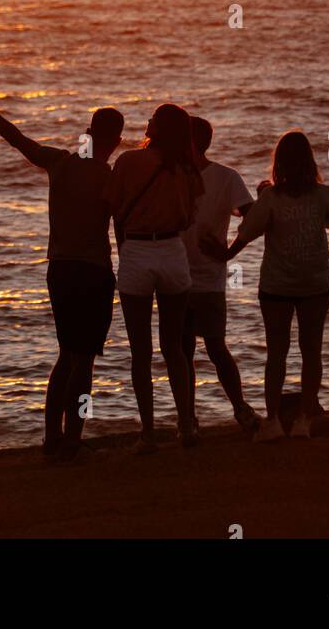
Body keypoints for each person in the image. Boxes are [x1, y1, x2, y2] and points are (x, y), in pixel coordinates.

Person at [0, 88, 123, 463]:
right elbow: (123, 226)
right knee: (84, 361)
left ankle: (52, 438)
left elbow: (19, 141)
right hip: (95, 272)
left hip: (60, 268)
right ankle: (72, 441)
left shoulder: (60, 162)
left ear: (87, 131)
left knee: (66, 355)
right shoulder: (112, 178)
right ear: (116, 141)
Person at [201, 129, 329, 442]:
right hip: (316, 282)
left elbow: (247, 234)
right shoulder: (325, 194)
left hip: (277, 284)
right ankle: (305, 418)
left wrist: (223, 255)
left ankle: (274, 420)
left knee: (277, 352)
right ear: (309, 160)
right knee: (311, 350)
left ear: (278, 163)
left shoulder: (270, 199)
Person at [104, 103, 204, 451]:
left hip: (138, 251)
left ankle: (147, 432)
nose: (146, 122)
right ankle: (186, 425)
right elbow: (190, 216)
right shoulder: (187, 168)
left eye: (152, 118)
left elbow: (113, 206)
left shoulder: (128, 162)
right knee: (174, 347)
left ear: (159, 128)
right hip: (173, 252)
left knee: (141, 350)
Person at [181, 116, 258, 437]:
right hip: (177, 276)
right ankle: (190, 420)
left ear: (192, 144)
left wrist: (229, 253)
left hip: (207, 277)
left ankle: (237, 409)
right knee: (185, 351)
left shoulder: (225, 177)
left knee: (213, 348)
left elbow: (252, 216)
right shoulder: (175, 175)